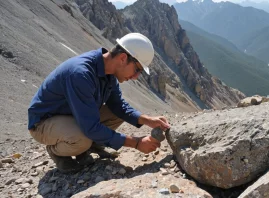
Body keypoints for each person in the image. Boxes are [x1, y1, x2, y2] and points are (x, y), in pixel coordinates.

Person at [27, 33, 170, 173]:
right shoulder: (80, 74)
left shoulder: (109, 72)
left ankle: (90, 146)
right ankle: (57, 151)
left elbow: (118, 106)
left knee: (116, 113)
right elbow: (91, 127)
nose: (135, 77)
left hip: (72, 115)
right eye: (137, 69)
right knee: (82, 139)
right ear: (122, 58)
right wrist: (137, 143)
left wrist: (147, 120)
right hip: (43, 123)